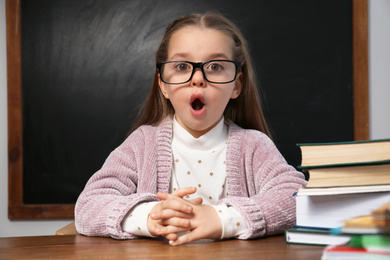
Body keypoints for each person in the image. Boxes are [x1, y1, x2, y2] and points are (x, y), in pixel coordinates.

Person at [75, 12, 307, 246]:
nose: (197, 78)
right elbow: (88, 206)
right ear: (163, 85)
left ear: (236, 85)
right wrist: (152, 216)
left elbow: (297, 198)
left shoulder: (254, 146)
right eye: (182, 66)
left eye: (215, 66)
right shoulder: (142, 144)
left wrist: (223, 219)